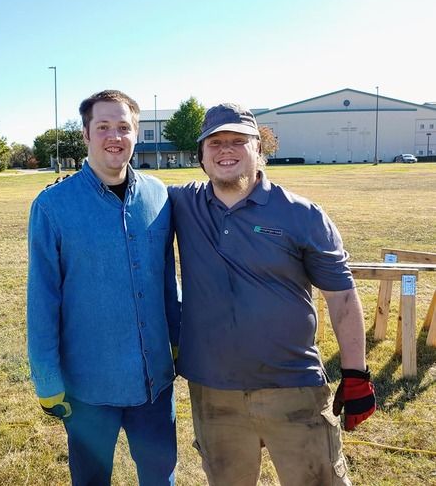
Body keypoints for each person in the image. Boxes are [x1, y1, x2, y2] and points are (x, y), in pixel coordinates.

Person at [168, 103, 376, 486]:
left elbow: (342, 298)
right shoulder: (181, 204)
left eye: (238, 141)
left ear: (259, 149)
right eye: (215, 142)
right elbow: (126, 191)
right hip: (213, 391)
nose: (225, 150)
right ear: (201, 156)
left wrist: (355, 373)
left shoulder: (302, 215)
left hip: (293, 385)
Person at [27, 90, 180, 486]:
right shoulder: (52, 206)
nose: (115, 136)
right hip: (89, 388)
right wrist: (47, 379)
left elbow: (167, 280)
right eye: (103, 127)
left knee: (160, 478)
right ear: (85, 134)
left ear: (136, 133)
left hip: (154, 383)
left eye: (124, 127)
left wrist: (179, 343)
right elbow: (42, 300)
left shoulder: (159, 196)